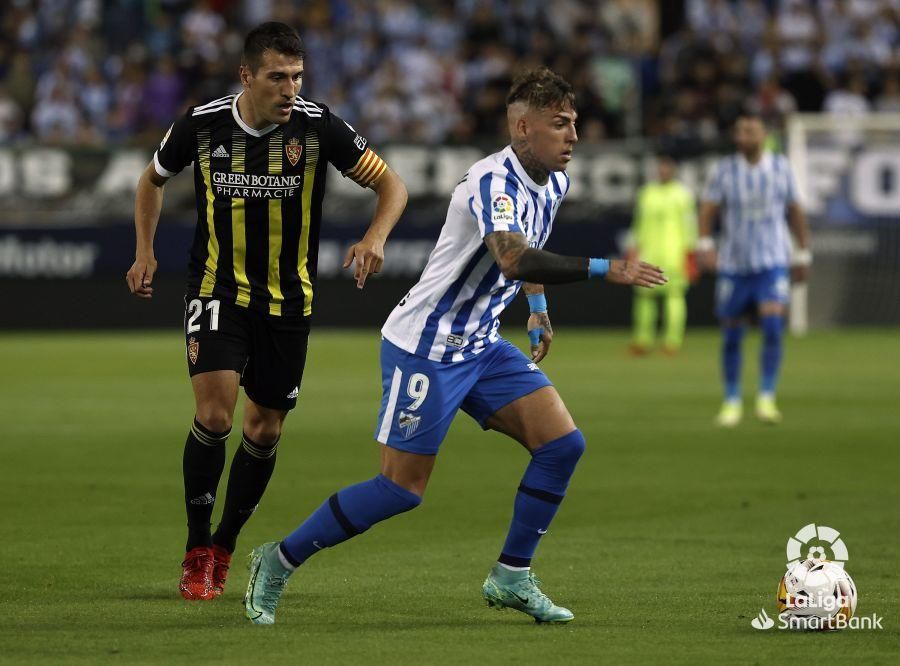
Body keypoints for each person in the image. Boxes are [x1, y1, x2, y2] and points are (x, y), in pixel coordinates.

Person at [241, 67, 666, 626]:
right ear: (523, 127)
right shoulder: (492, 182)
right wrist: (607, 268)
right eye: (560, 124)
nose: (574, 136)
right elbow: (512, 256)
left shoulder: (555, 182)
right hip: (427, 346)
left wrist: (537, 307)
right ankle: (278, 559)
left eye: (574, 123)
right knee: (400, 489)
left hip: (482, 346)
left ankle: (511, 575)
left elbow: (527, 252)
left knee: (563, 445)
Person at [125, 22, 408, 601]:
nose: (290, 89)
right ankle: (197, 548)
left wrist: (375, 236)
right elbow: (152, 180)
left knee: (265, 427)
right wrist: (144, 250)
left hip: (288, 301)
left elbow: (393, 187)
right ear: (247, 75)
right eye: (278, 77)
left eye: (297, 77)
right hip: (216, 289)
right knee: (215, 416)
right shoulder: (202, 124)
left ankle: (226, 544)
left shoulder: (318, 126)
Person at [697, 113, 810, 427]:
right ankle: (732, 400)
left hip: (772, 261)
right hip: (734, 263)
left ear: (764, 135)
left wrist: (803, 253)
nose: (745, 135)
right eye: (741, 131)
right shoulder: (725, 169)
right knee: (732, 334)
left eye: (751, 130)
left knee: (773, 326)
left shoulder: (781, 168)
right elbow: (707, 209)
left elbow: (796, 211)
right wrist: (705, 244)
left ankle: (766, 398)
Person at [626, 154, 697, 355]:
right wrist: (633, 249)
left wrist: (690, 255)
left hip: (674, 254)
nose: (663, 170)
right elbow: (638, 224)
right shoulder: (647, 193)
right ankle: (642, 341)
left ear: (673, 169)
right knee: (644, 297)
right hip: (648, 254)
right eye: (660, 167)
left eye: (666, 167)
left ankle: (672, 343)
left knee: (674, 297)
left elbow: (690, 226)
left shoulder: (683, 195)